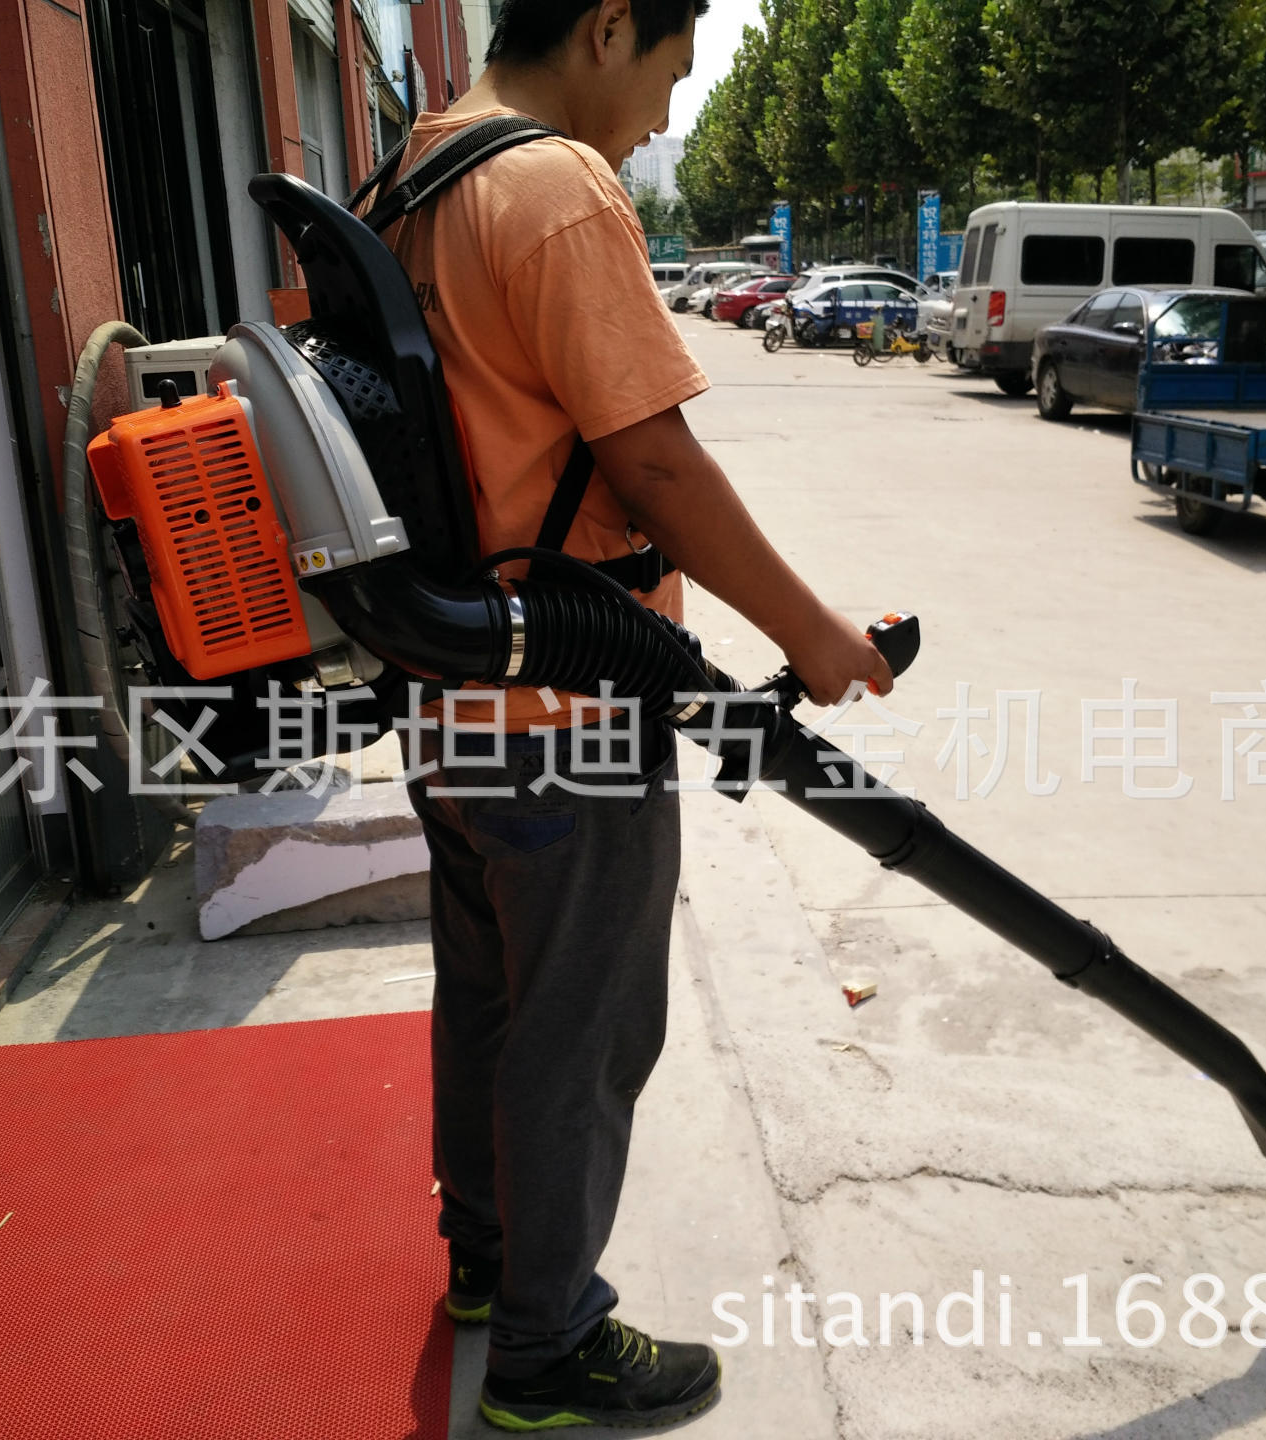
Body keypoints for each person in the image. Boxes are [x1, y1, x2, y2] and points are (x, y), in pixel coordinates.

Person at [366, 0, 892, 1429]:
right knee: (582, 1031)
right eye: (669, 73)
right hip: (567, 707)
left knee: (489, 994)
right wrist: (812, 634)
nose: (662, 115)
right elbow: (651, 460)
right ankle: (547, 1350)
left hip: (453, 693)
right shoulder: (552, 187)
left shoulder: (415, 176)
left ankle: (487, 1259)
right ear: (608, 26)